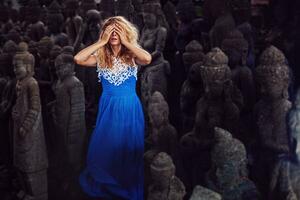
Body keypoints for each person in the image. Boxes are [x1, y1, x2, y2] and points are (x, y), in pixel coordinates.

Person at [74, 16, 151, 200]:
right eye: (111, 30)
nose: (114, 34)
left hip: (129, 109)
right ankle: (110, 187)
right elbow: (78, 59)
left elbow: (147, 58)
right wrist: (101, 42)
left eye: (118, 30)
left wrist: (126, 41)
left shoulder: (132, 55)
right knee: (104, 148)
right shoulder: (100, 57)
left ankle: (126, 190)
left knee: (127, 150)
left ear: (125, 33)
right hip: (108, 109)